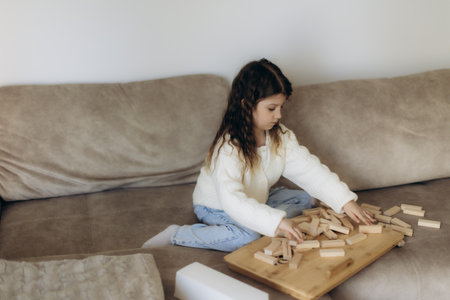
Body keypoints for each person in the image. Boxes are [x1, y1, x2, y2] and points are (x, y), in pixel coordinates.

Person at [142, 58, 374, 252]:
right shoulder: (229, 148)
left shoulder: (280, 136)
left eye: (281, 107)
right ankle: (178, 234)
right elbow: (233, 200)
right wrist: (276, 222)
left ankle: (273, 215)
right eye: (271, 109)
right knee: (249, 236)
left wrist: (344, 201)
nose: (279, 115)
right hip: (219, 206)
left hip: (258, 198)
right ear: (246, 105)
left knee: (306, 199)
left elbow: (308, 168)